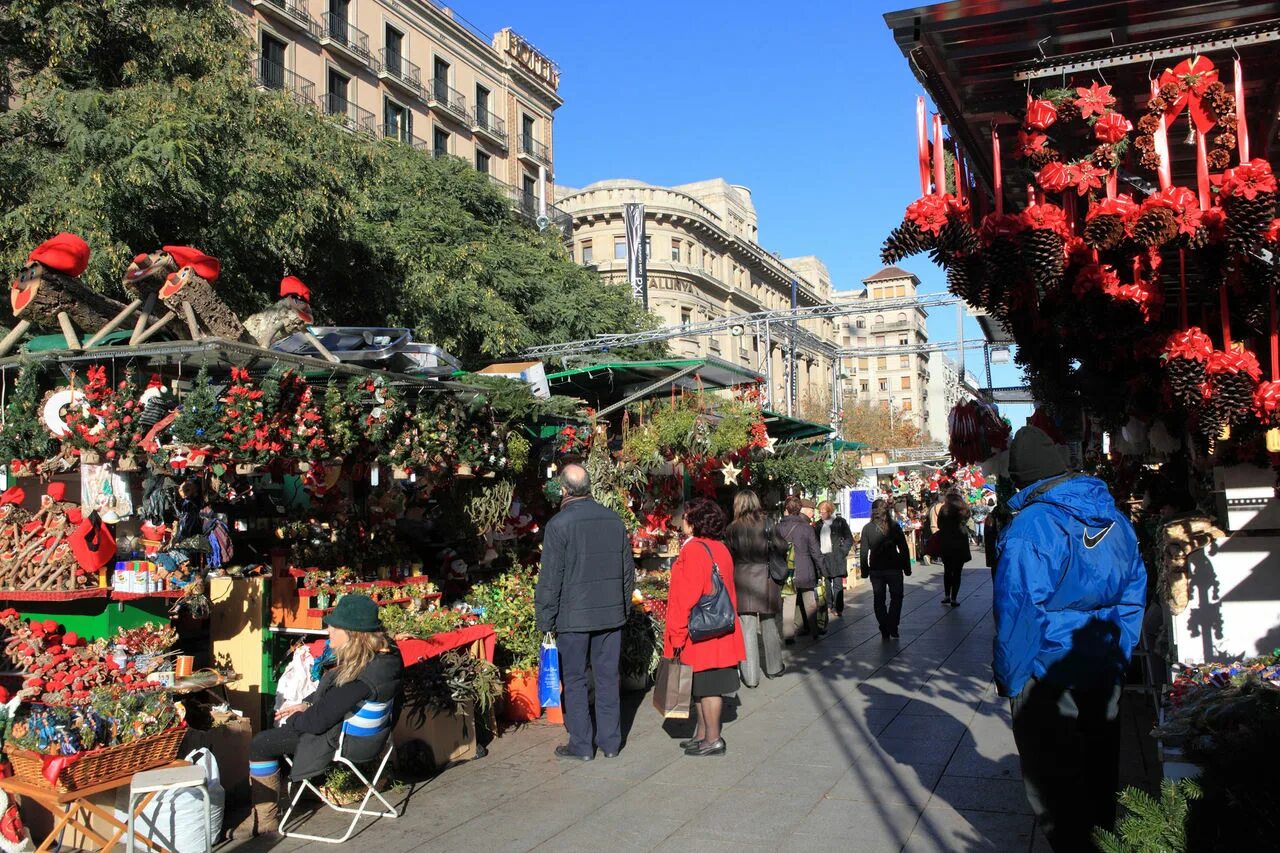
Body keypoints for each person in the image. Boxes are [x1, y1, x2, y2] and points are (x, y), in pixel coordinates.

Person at [993, 426, 1146, 851]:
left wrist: (1011, 677)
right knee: (1100, 775)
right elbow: (1135, 588)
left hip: (1050, 671)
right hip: (1104, 662)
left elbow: (1019, 610)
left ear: (1021, 477)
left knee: (1055, 790)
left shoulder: (1031, 527)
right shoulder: (1114, 518)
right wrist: (1121, 648)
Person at [234, 594, 403, 839]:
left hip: (351, 745)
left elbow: (317, 722)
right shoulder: (388, 656)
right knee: (295, 722)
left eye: (334, 628)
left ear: (353, 634)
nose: (328, 632)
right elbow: (333, 701)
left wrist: (292, 721)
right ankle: (295, 793)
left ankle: (264, 819)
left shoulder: (361, 678)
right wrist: (308, 703)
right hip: (374, 736)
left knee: (262, 744)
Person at [535, 464, 634, 761]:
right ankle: (611, 743)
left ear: (564, 490)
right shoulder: (613, 520)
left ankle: (581, 744)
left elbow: (550, 579)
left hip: (573, 617)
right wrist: (623, 609)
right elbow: (628, 572)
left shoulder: (559, 525)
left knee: (575, 679)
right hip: (609, 616)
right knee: (606, 678)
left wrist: (545, 619)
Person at [664, 498, 746, 756]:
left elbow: (684, 596)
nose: (682, 522)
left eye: (686, 517)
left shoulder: (694, 550)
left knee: (708, 687)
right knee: (701, 685)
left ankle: (713, 739)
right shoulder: (719, 548)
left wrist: (676, 633)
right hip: (720, 627)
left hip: (702, 631)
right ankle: (702, 734)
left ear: (694, 522)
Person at [725, 489, 783, 686]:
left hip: (741, 578)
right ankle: (774, 667)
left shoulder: (732, 528)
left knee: (747, 629)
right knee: (769, 625)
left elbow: (728, 555)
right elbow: (781, 546)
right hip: (766, 577)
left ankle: (750, 676)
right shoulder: (767, 523)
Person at [773, 496, 825, 640]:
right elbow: (815, 551)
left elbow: (775, 550)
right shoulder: (806, 528)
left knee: (789, 603)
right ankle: (814, 631)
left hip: (787, 571)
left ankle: (789, 635)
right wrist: (822, 569)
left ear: (786, 510)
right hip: (805, 570)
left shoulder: (778, 528)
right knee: (809, 602)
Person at [859, 498, 911, 640]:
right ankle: (892, 625)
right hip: (894, 567)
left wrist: (864, 570)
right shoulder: (894, 526)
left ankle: (884, 626)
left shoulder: (867, 528)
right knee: (897, 597)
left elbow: (863, 552)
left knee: (879, 599)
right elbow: (903, 549)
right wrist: (907, 567)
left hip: (876, 569)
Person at [814, 500, 852, 617]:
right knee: (826, 582)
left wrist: (843, 551)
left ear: (830, 511)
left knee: (837, 584)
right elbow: (815, 541)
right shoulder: (818, 525)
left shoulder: (840, 522)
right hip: (824, 557)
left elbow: (848, 538)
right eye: (820, 512)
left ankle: (838, 607)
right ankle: (828, 605)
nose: (821, 514)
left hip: (837, 557)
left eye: (823, 512)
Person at [937, 491, 973, 606]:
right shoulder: (964, 509)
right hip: (960, 541)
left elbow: (939, 525)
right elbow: (966, 521)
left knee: (947, 570)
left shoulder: (944, 509)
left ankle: (947, 595)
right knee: (957, 572)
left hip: (946, 541)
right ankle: (954, 598)